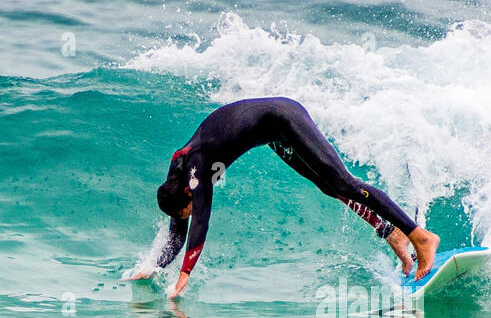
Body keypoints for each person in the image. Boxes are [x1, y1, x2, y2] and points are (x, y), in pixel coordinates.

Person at [138, 96, 440, 297]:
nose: (187, 217)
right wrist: (154, 267)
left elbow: (199, 224)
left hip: (284, 119)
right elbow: (177, 232)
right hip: (271, 135)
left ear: (188, 195)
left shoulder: (197, 172)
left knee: (345, 183)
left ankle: (421, 237)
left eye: (186, 211)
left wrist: (184, 276)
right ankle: (393, 235)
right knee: (328, 187)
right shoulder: (176, 178)